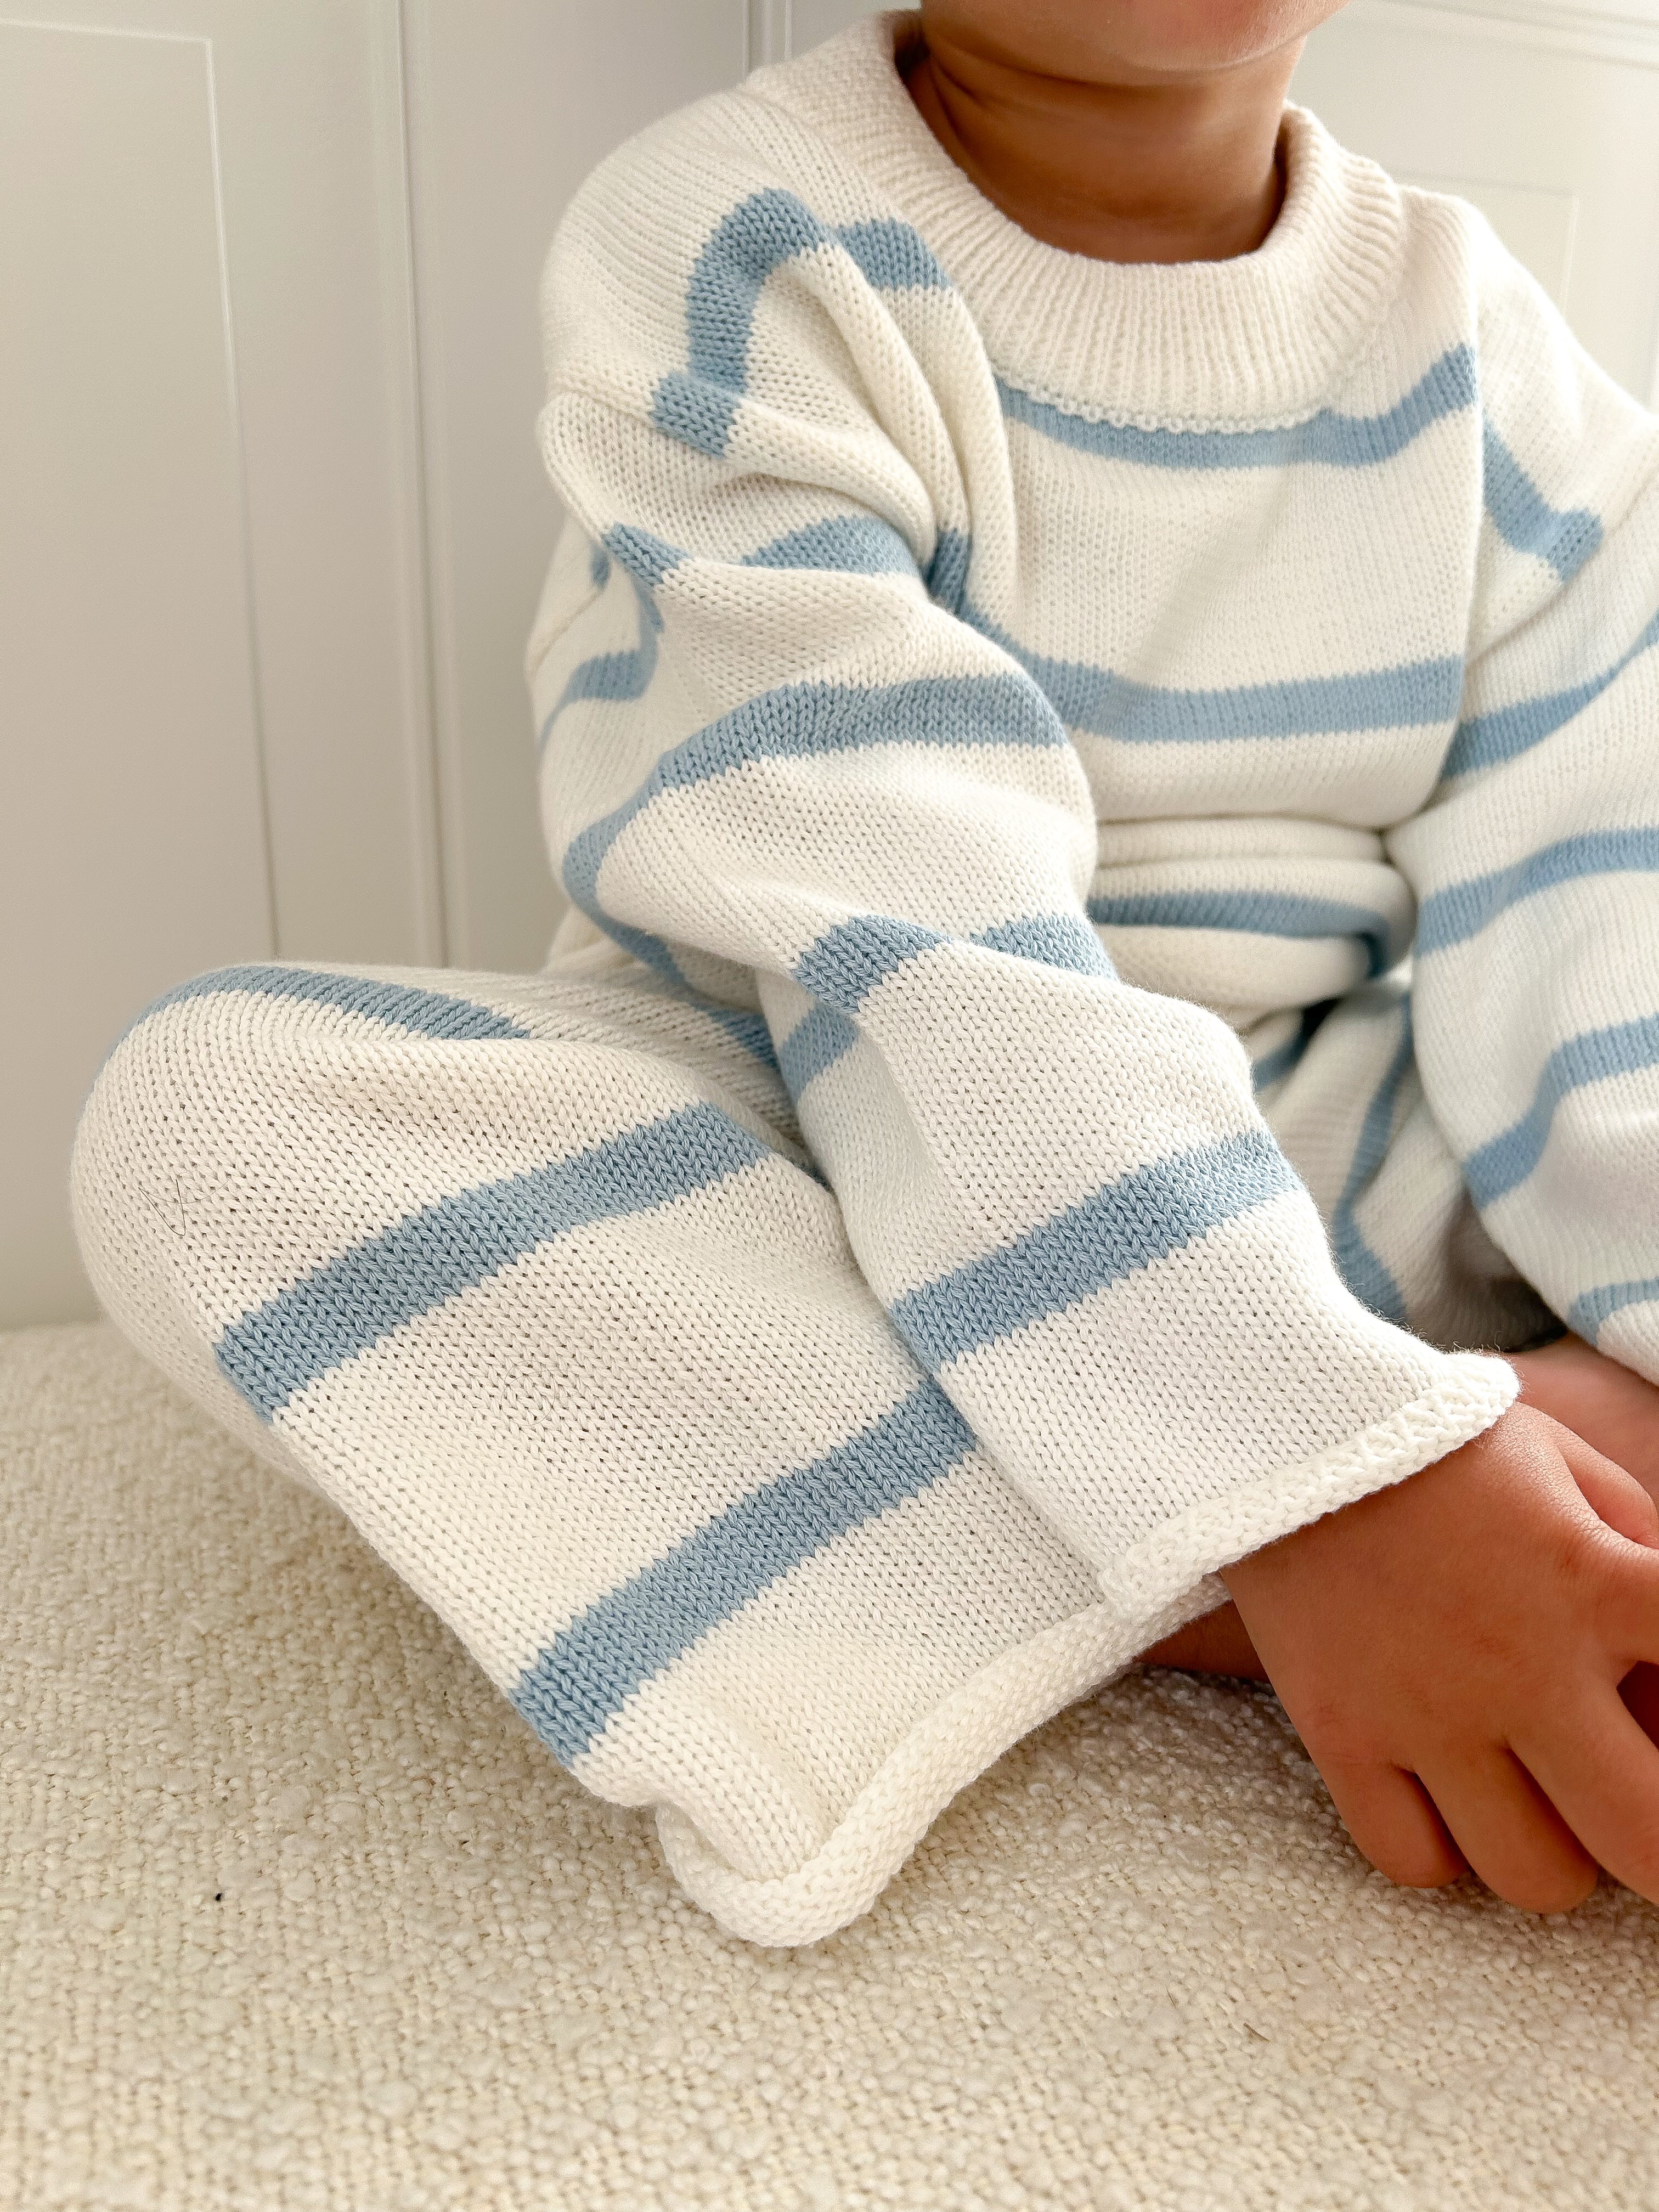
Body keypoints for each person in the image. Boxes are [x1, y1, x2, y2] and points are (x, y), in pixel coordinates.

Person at [71, 2, 1659, 1946]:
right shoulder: (744, 243)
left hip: (1302, 1128)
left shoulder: (1503, 371)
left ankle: (1320, 1484)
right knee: (209, 1126)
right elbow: (906, 942)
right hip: (813, 1117)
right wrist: (1315, 1471)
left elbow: (1602, 927)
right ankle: (1287, 1544)